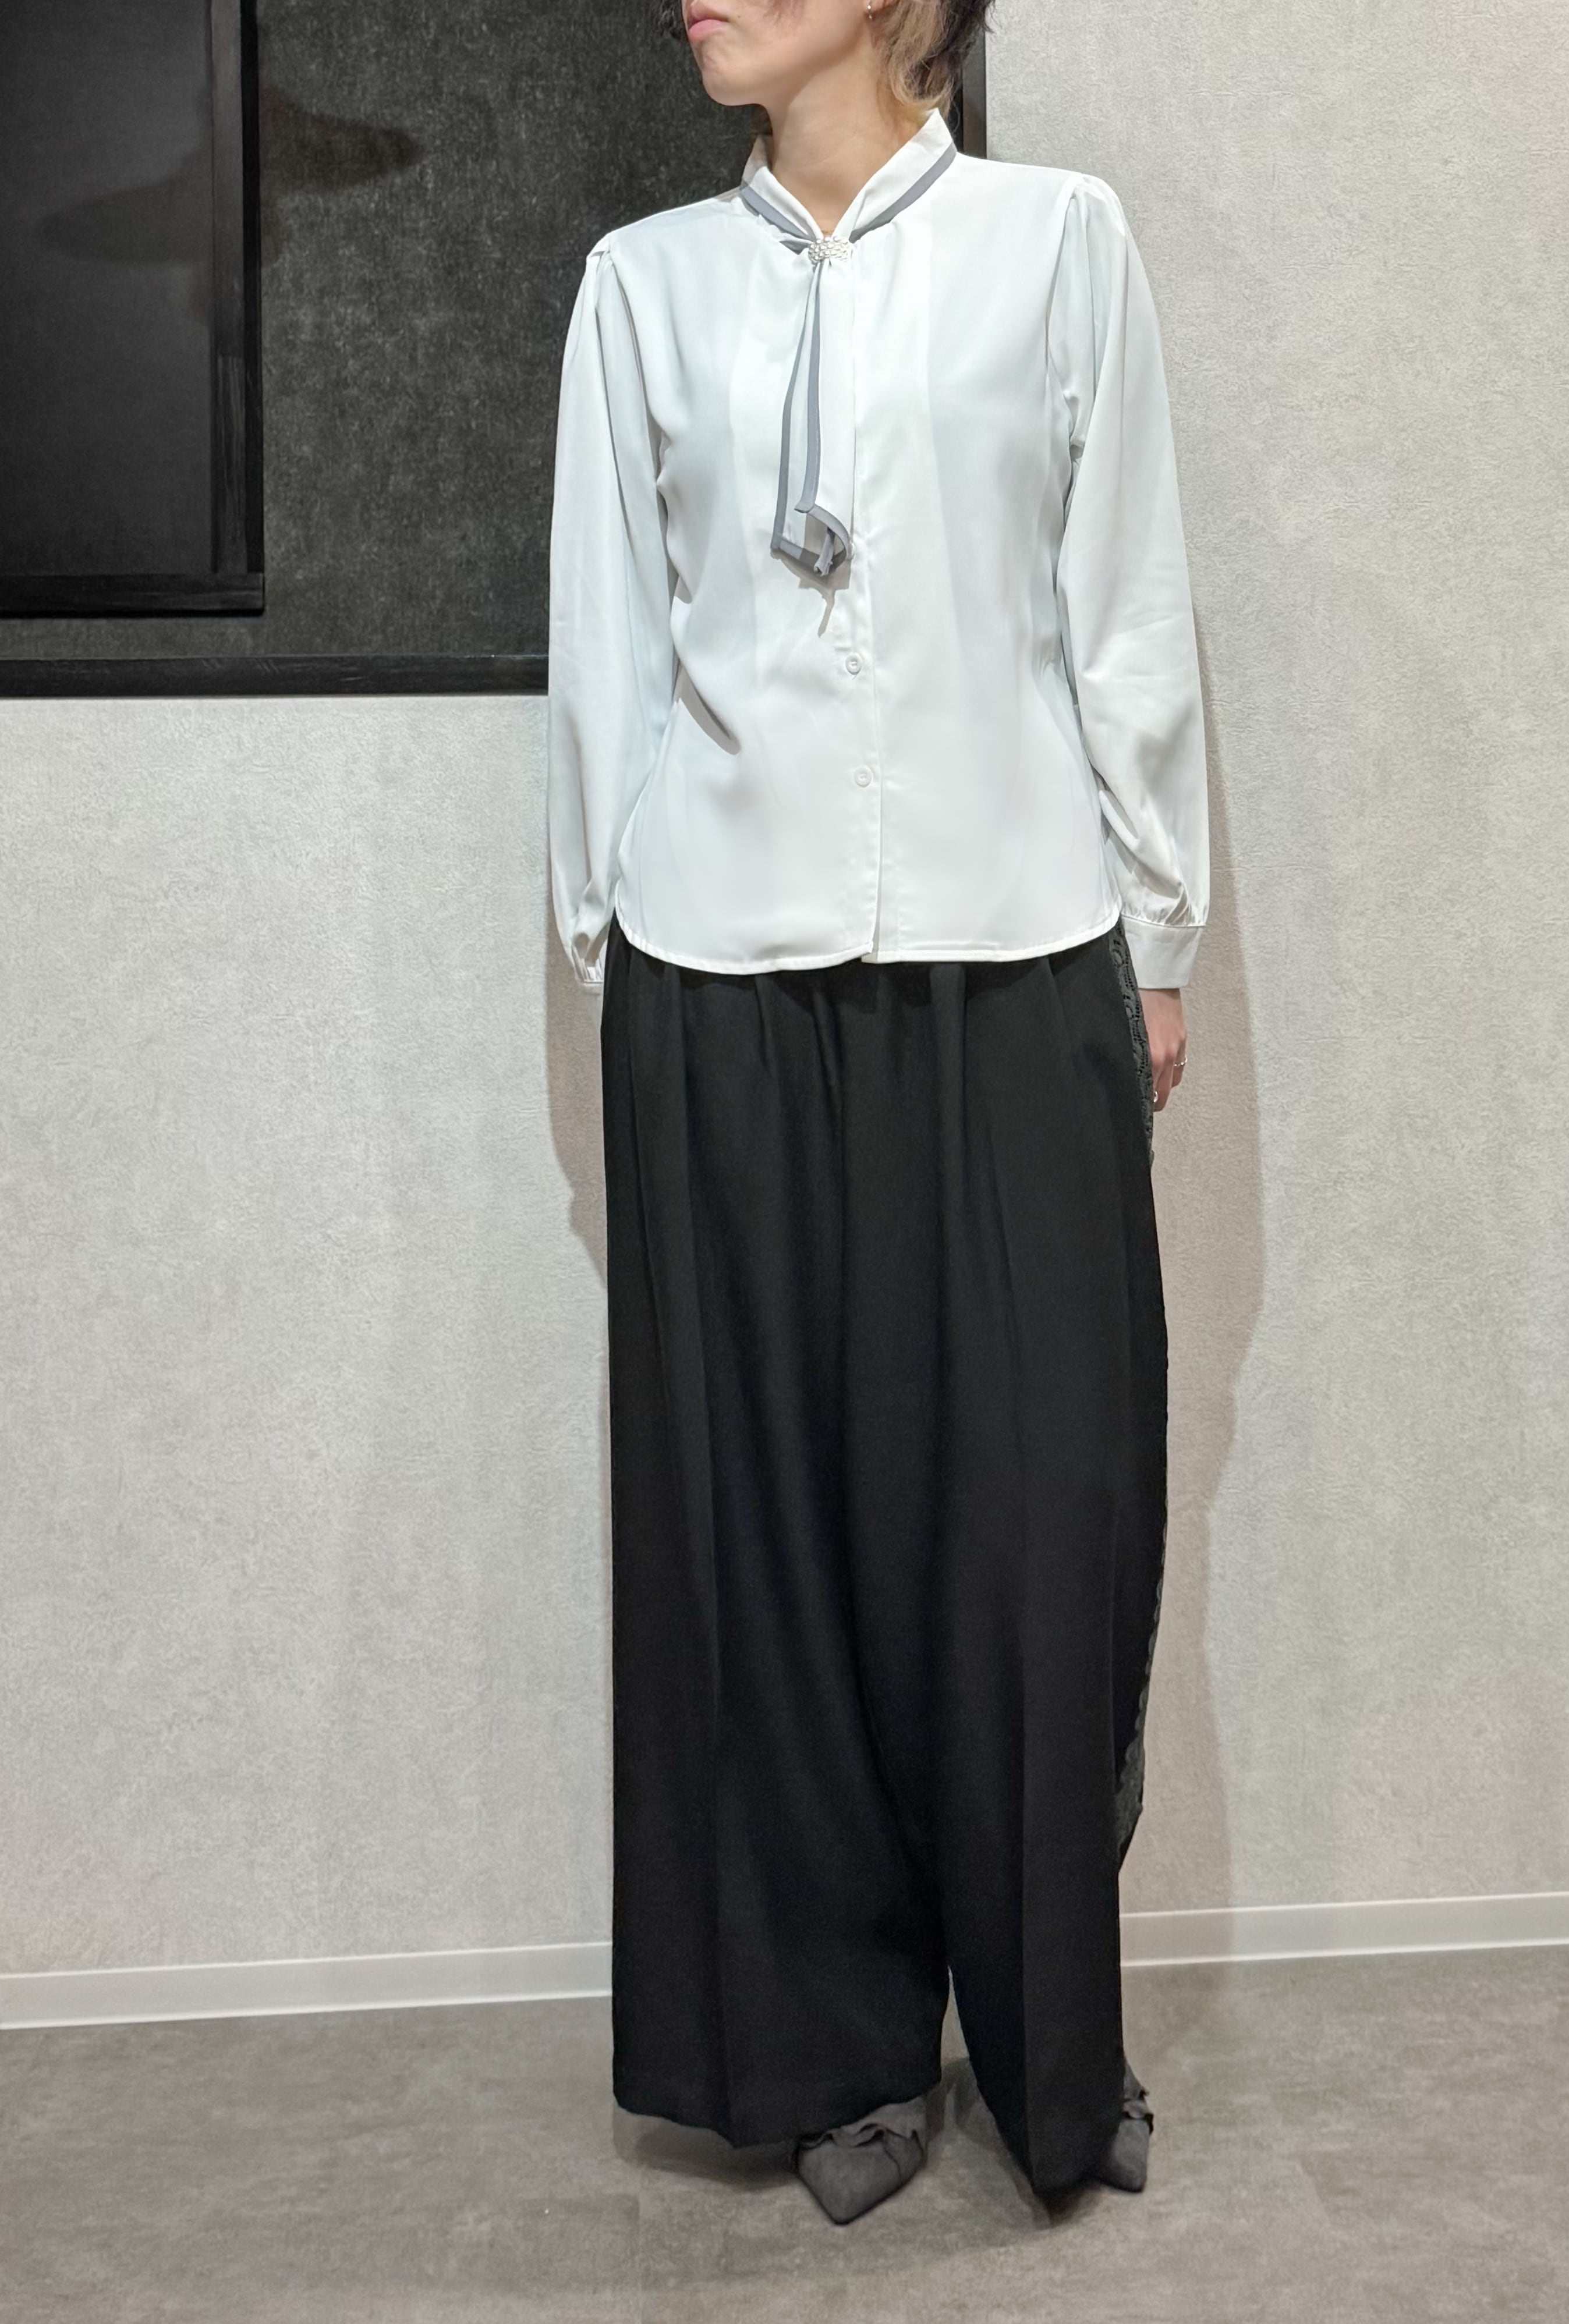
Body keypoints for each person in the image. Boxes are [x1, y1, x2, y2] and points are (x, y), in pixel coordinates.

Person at [546, 0, 1208, 2224]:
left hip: (1013, 942)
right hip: (717, 966)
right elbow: (608, 640)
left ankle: (1045, 2034)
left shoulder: (1055, 241)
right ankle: (828, 2044)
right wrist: (605, 940)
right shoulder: (643, 283)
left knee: (1032, 1513)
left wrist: (1158, 928)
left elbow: (1122, 605)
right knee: (770, 1530)